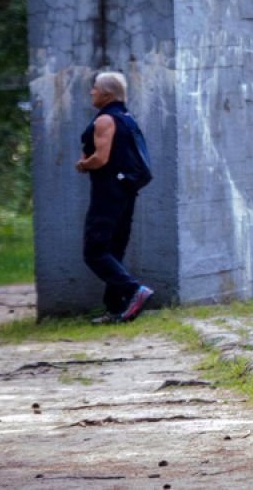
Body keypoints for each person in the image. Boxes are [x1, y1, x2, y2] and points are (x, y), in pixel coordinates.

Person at [74, 71, 155, 324]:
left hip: (108, 191)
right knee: (113, 250)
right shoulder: (127, 119)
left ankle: (133, 290)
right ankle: (114, 309)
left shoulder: (105, 120)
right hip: (126, 190)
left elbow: (101, 158)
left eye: (95, 89)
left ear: (107, 94)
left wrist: (83, 164)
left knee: (95, 251)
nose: (91, 92)